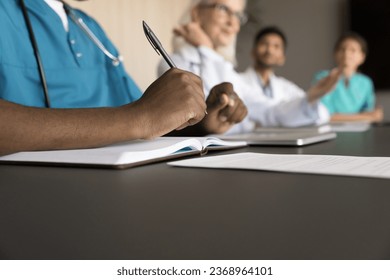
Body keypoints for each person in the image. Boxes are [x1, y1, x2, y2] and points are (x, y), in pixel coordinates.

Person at [0, 0, 247, 156]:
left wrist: (199, 124)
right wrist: (139, 117)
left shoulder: (89, 27)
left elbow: (144, 121)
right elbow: (137, 118)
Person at [158, 0, 340, 131]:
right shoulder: (175, 64)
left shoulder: (228, 71)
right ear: (197, 13)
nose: (232, 23)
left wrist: (312, 97)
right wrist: (205, 48)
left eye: (237, 15)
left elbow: (270, 112)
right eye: (223, 9)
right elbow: (204, 114)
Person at [313, 33, 383, 122]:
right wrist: (367, 117)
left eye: (353, 50)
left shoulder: (366, 82)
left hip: (359, 133)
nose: (346, 53)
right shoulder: (323, 78)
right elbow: (325, 116)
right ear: (335, 53)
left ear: (362, 57)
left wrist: (371, 116)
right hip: (329, 131)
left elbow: (369, 111)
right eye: (342, 49)